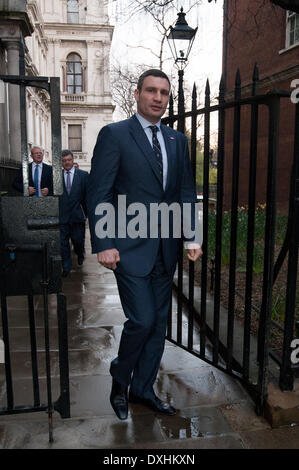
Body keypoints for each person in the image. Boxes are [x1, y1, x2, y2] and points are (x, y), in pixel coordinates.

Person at [87, 69, 202, 420]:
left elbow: (184, 192)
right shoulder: (115, 135)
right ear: (137, 95)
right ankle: (120, 378)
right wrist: (104, 242)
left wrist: (191, 235)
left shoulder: (176, 141)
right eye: (151, 91)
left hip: (165, 250)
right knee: (142, 319)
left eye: (164, 93)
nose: (158, 98)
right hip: (128, 249)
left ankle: (142, 389)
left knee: (158, 326)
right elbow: (99, 192)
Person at [59, 149, 88, 277]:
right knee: (63, 243)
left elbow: (87, 196)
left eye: (69, 160)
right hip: (62, 217)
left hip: (77, 216)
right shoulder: (57, 176)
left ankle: (80, 253)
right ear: (61, 162)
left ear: (73, 160)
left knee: (77, 240)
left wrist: (86, 214)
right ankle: (66, 267)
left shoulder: (83, 175)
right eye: (64, 160)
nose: (67, 162)